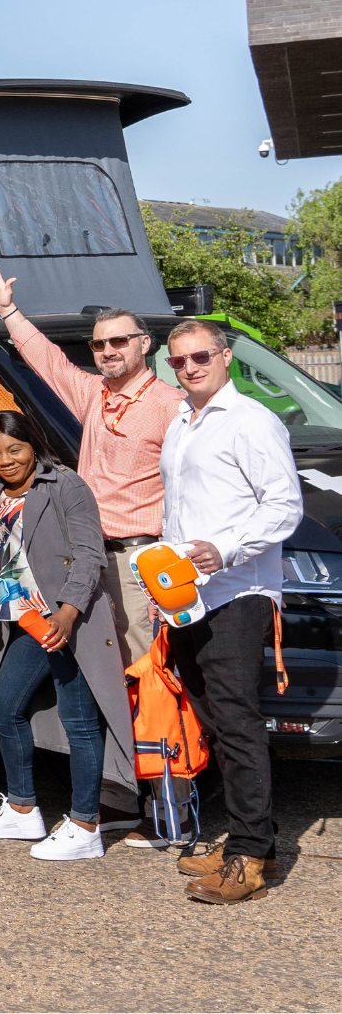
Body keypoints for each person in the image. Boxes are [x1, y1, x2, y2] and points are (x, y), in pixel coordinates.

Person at [0, 263, 186, 844]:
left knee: (144, 679)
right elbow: (46, 361)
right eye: (99, 345)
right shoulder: (94, 393)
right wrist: (8, 313)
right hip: (83, 560)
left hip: (136, 560)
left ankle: (161, 807)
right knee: (96, 684)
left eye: (119, 341)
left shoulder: (171, 405)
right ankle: (114, 798)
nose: (108, 352)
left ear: (145, 344)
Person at [159, 319, 302, 904]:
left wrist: (227, 549)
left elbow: (284, 507)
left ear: (224, 356)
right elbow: (180, 510)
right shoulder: (181, 422)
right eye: (179, 361)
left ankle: (250, 856)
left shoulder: (251, 420)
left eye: (200, 357)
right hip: (187, 596)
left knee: (238, 724)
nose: (190, 368)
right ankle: (250, 838)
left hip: (237, 593)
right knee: (215, 720)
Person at [0, 412, 131, 861]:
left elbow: (89, 554)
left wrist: (68, 612)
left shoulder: (65, 485)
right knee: (4, 706)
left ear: (34, 445)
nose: (5, 461)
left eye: (15, 449)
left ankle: (85, 825)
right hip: (26, 621)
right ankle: (23, 809)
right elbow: (0, 554)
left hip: (68, 621)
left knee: (80, 721)